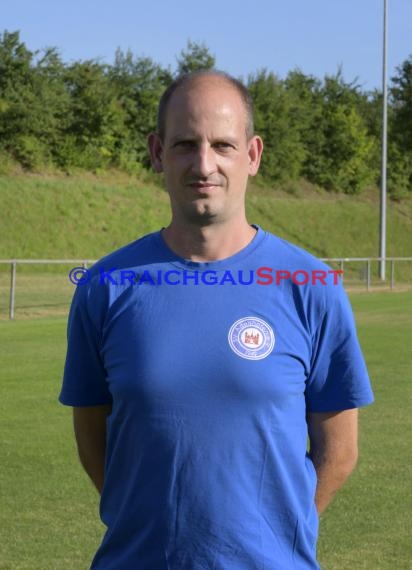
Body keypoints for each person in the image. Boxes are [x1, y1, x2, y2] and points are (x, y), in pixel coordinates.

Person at [59, 70, 374, 569]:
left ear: (252, 155)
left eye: (222, 145)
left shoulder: (312, 286)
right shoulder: (105, 286)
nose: (204, 164)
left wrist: (276, 533)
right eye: (185, 144)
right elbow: (93, 439)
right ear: (158, 153)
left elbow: (340, 451)